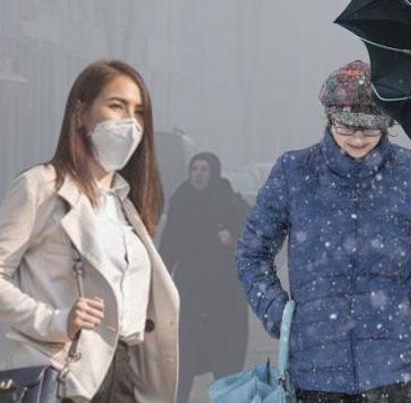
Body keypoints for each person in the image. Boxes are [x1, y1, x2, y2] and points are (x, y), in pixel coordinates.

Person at [235, 60, 411, 403]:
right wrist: (282, 316)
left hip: (392, 368)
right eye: (346, 127)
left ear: (388, 125)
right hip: (314, 367)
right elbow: (251, 254)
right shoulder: (294, 172)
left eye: (369, 129)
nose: (356, 138)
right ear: (329, 118)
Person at [0, 59, 179, 402]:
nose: (130, 122)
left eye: (139, 111)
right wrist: (54, 320)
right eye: (117, 105)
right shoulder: (41, 187)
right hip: (62, 375)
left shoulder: (125, 203)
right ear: (80, 113)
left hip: (125, 379)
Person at [160, 151, 250, 403]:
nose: (198, 174)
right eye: (195, 169)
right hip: (190, 293)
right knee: (183, 361)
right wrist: (157, 280)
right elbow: (168, 247)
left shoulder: (230, 203)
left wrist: (232, 239)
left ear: (214, 173)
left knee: (226, 361)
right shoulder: (182, 202)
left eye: (204, 169)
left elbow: (255, 241)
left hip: (224, 296)